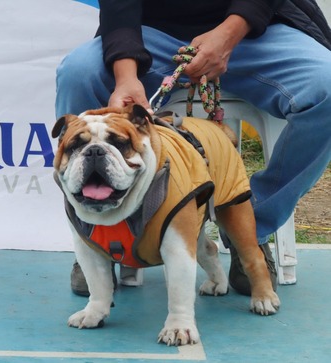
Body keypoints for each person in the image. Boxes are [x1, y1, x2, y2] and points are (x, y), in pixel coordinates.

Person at [55, 0, 331, 297]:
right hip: (151, 35)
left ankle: (250, 225)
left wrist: (227, 35)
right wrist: (126, 77)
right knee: (78, 74)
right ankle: (101, 238)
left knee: (326, 86)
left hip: (254, 31)